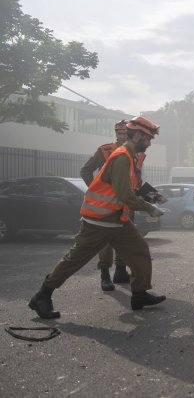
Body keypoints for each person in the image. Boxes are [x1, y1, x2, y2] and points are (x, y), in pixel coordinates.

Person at [28, 117, 167, 319]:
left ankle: (139, 294)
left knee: (139, 250)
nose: (150, 143)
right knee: (74, 260)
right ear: (137, 135)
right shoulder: (121, 157)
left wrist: (155, 198)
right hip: (99, 221)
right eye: (148, 138)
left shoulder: (130, 155)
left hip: (116, 219)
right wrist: (150, 208)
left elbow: (133, 185)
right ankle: (42, 296)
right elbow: (124, 194)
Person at [81, 119, 132, 290]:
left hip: (125, 201)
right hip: (108, 202)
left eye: (125, 133)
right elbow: (85, 170)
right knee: (106, 240)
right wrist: (97, 190)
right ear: (116, 133)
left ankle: (120, 271)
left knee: (124, 237)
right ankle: (105, 275)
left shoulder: (134, 153)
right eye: (120, 133)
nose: (122, 136)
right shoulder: (105, 150)